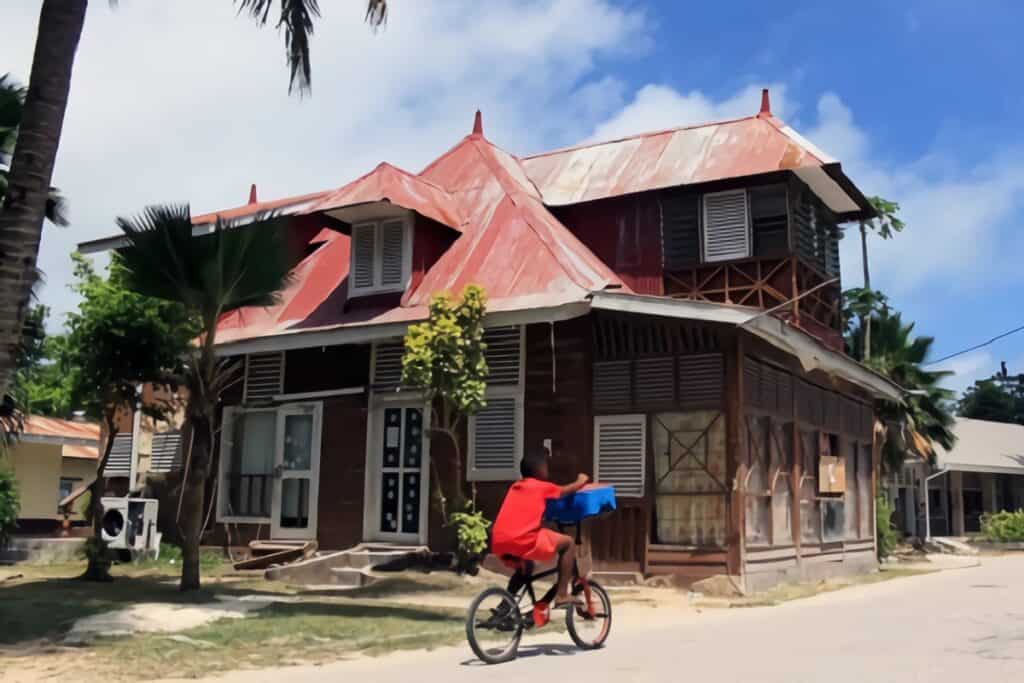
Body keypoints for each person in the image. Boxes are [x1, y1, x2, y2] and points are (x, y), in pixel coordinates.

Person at [491, 450, 589, 608]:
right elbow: (566, 491)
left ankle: (505, 608)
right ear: (537, 470)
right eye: (545, 466)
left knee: (526, 568)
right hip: (523, 539)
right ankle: (562, 595)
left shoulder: (515, 486)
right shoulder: (542, 487)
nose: (547, 469)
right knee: (569, 543)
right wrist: (580, 481)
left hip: (500, 541)